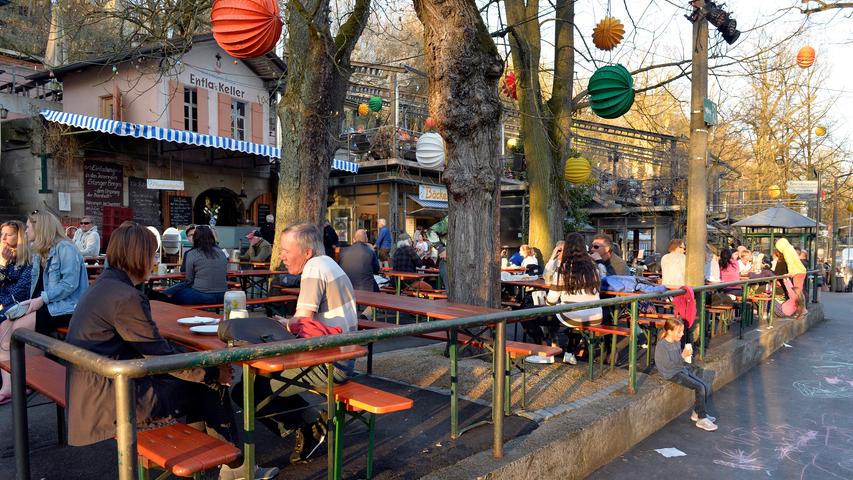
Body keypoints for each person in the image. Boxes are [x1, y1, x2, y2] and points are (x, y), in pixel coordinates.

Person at [64, 223, 278, 479]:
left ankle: (212, 456)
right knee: (210, 383)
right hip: (112, 399)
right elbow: (160, 356)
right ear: (138, 256)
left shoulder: (105, 287)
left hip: (94, 388)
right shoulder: (125, 297)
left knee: (200, 377)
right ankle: (235, 468)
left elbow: (154, 347)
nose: (155, 260)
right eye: (152, 254)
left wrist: (205, 367)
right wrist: (211, 373)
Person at [235, 223, 357, 465]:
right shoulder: (328, 264)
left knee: (246, 390)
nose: (281, 256)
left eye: (285, 251)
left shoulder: (314, 267)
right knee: (258, 381)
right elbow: (304, 323)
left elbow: (302, 321)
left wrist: (285, 324)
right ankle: (311, 424)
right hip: (340, 355)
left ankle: (310, 427)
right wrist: (288, 322)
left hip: (330, 363)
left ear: (307, 252)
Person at [0, 210, 87, 405]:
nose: (27, 229)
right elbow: (34, 285)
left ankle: (30, 380)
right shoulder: (39, 251)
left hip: (67, 307)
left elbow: (69, 284)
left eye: (29, 226)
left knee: (19, 329)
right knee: (4, 327)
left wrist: (40, 300)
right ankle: (8, 387)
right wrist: (29, 303)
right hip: (45, 303)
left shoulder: (65, 248)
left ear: (40, 228)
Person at [543, 233, 603, 365]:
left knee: (530, 317)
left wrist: (546, 305)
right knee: (575, 320)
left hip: (572, 315)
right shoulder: (594, 268)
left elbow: (552, 300)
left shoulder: (563, 268)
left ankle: (545, 352)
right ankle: (569, 353)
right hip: (595, 315)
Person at [655, 316, 718, 431]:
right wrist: (682, 357)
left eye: (682, 331)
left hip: (679, 370)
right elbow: (667, 366)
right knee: (699, 387)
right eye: (679, 332)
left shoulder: (676, 342)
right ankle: (701, 419)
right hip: (671, 374)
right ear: (669, 331)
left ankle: (697, 412)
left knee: (704, 385)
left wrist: (686, 356)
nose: (682, 334)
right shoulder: (662, 346)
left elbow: (678, 361)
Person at [164, 225, 228, 305]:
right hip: (223, 295)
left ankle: (161, 297)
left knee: (176, 295)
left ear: (196, 238)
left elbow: (189, 280)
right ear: (211, 236)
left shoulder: (192, 253)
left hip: (201, 295)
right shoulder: (221, 252)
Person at [0, 221, 32, 323]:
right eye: (2, 234)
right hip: (4, 302)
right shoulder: (4, 256)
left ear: (20, 237)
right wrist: (3, 263)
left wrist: (1, 302)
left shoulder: (30, 260)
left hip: (19, 305)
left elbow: (20, 291)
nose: (3, 238)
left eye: (8, 235)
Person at [338, 229, 380, 293]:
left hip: (346, 288)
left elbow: (340, 268)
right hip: (366, 289)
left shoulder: (344, 251)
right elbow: (376, 269)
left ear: (353, 239)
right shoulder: (370, 252)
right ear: (366, 240)